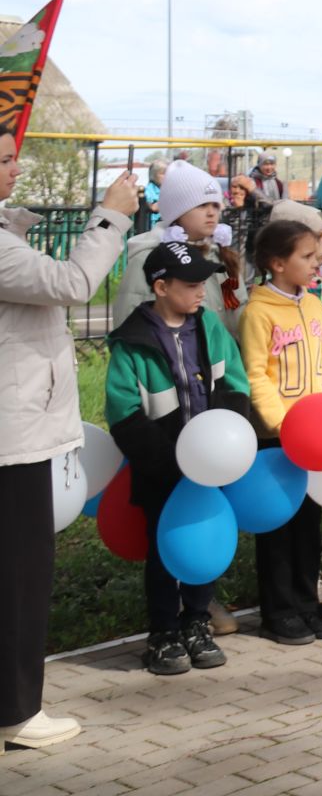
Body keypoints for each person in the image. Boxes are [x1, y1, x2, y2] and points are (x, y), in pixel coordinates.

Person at [0, 139, 136, 748]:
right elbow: (74, 281)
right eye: (4, 159)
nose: (16, 167)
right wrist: (111, 214)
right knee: (19, 579)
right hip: (12, 437)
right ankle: (17, 713)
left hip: (17, 429)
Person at [106, 242, 249, 673]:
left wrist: (221, 448)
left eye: (203, 281)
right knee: (164, 550)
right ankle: (164, 632)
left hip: (210, 469)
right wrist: (170, 462)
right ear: (161, 286)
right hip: (161, 473)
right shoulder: (131, 343)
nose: (201, 290)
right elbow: (123, 411)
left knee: (204, 543)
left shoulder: (210, 329)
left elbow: (236, 386)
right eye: (190, 284)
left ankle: (197, 622)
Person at [240, 217, 322, 645]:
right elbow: (256, 374)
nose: (316, 262)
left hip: (315, 435)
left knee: (308, 526)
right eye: (306, 256)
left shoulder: (314, 305)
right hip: (279, 437)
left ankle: (306, 604)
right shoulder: (258, 311)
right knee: (278, 526)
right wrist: (281, 422)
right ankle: (278, 612)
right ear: (277, 263)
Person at [114, 159, 245, 332]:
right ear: (177, 212)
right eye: (202, 205)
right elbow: (129, 321)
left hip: (225, 357)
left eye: (215, 204)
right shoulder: (149, 259)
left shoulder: (221, 254)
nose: (211, 212)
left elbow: (240, 308)